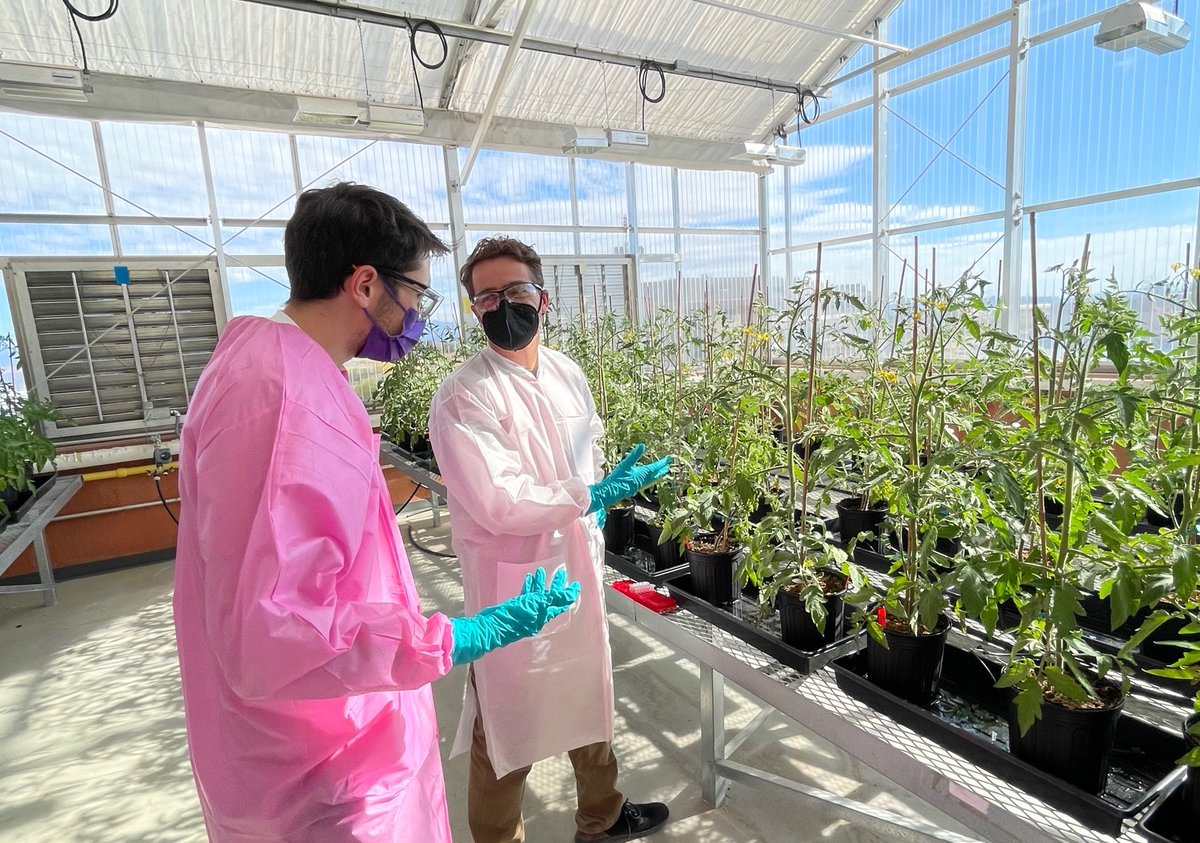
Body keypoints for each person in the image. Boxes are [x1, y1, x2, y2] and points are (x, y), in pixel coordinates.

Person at [172, 184, 581, 843]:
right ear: (365, 284)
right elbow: (278, 630)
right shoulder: (282, 400)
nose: (418, 313)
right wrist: (450, 638)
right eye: (416, 295)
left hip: (333, 745)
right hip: (322, 776)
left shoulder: (283, 373)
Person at [428, 237, 673, 843]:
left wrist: (594, 498)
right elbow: (499, 499)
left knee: (589, 700)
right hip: (517, 586)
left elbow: (583, 460)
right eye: (487, 297)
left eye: (515, 291)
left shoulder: (568, 372)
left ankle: (604, 817)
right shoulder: (464, 394)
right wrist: (590, 496)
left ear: (544, 298)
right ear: (475, 311)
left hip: (579, 571)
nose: (502, 305)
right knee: (507, 728)